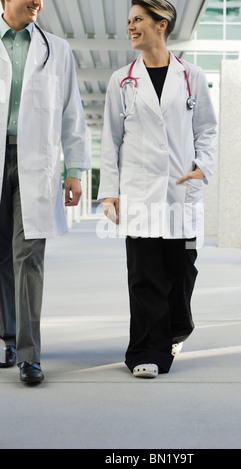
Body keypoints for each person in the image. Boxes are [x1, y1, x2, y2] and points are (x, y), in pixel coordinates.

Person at [98, 0, 217, 378]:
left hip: (181, 192)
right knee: (145, 273)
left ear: (161, 25)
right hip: (140, 192)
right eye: (130, 21)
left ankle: (175, 329)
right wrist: (111, 192)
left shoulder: (191, 76)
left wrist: (202, 168)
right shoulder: (122, 79)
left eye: (138, 20)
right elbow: (110, 140)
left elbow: (207, 129)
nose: (131, 27)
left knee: (182, 270)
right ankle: (146, 352)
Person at [0, 0, 91, 384]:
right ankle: (7, 337)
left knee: (29, 254)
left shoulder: (58, 48)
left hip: (36, 161)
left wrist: (76, 169)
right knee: (3, 254)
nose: (38, 2)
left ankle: (29, 354)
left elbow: (72, 111)